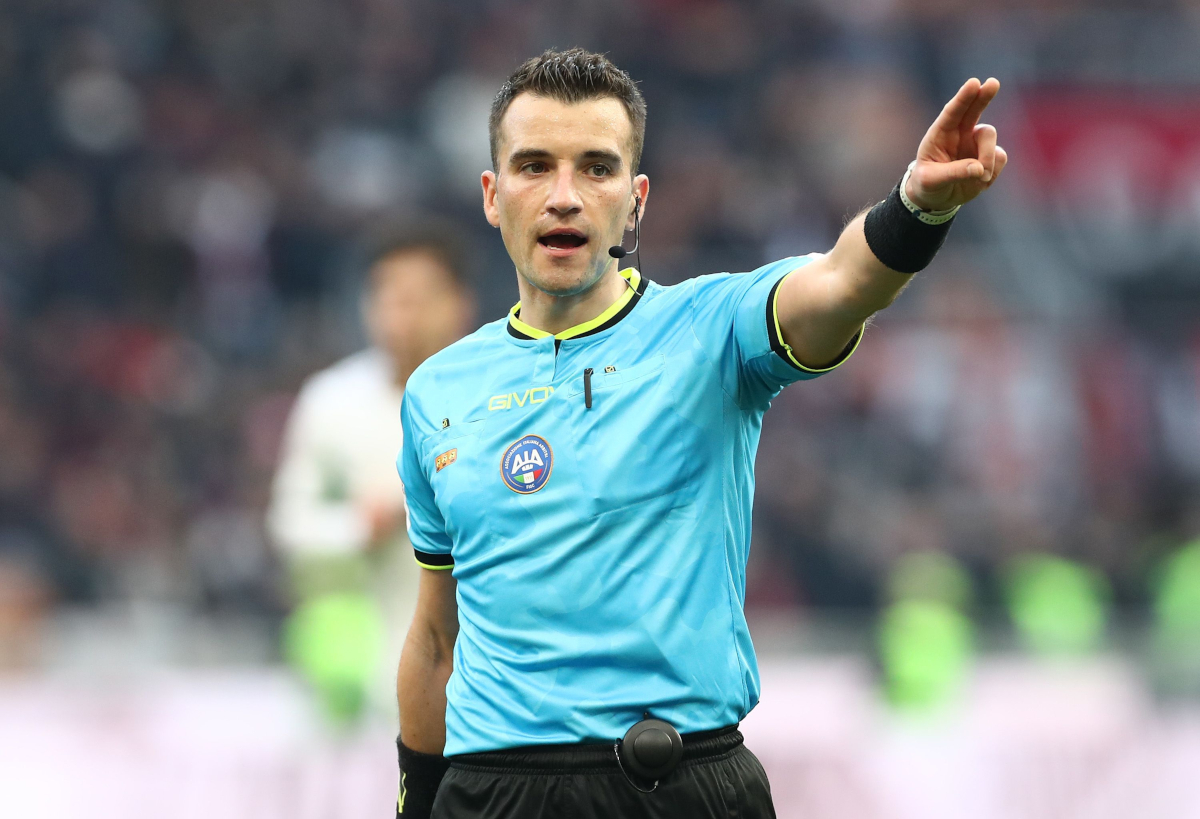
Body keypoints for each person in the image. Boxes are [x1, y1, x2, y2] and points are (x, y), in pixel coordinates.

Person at [395, 48, 1006, 818]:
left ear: (635, 199)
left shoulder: (710, 329)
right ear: (492, 195)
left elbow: (841, 283)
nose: (564, 196)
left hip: (679, 787)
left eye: (596, 168)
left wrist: (916, 207)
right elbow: (436, 637)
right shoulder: (438, 392)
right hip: (492, 796)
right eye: (534, 166)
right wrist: (418, 798)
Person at [267, 224, 474, 722]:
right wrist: (361, 525)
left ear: (458, 305)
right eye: (387, 297)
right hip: (361, 669)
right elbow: (288, 523)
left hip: (476, 663)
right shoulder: (332, 401)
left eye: (417, 299)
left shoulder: (499, 397)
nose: (400, 315)